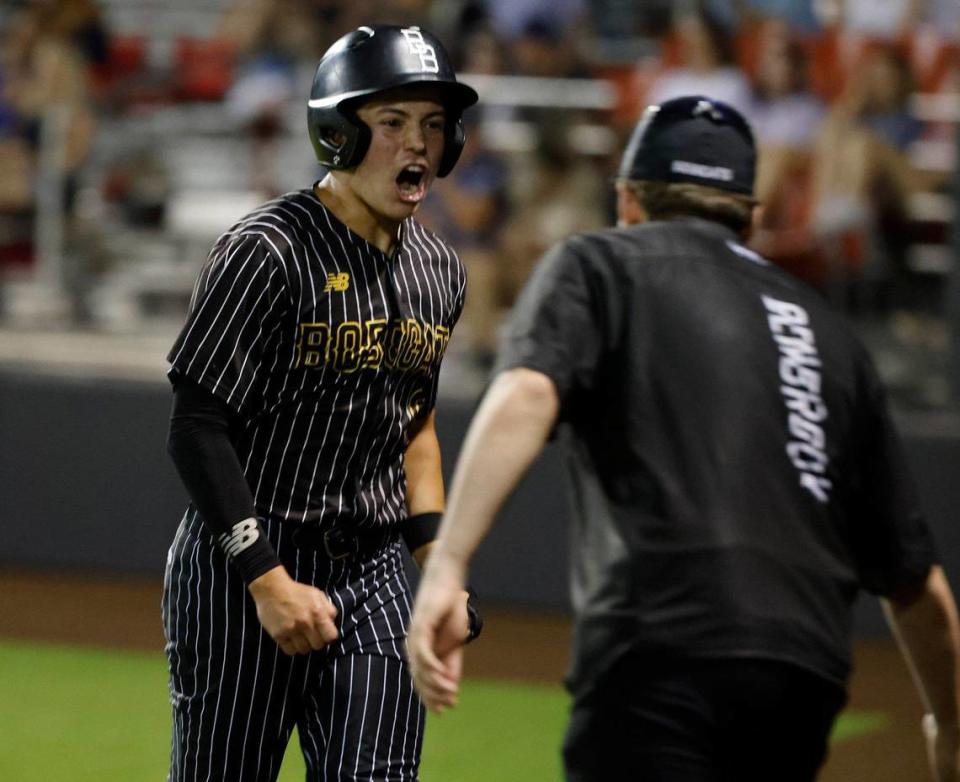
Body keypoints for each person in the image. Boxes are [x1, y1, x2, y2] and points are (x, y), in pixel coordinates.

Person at [407, 95, 960, 781]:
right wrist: (952, 727)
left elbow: (527, 391)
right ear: (750, 219)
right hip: (803, 673)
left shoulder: (598, 262)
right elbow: (917, 582)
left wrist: (448, 563)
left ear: (628, 200)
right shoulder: (832, 335)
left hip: (661, 643)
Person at [163, 24, 481, 781]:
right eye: (394, 122)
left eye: (433, 126)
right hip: (245, 565)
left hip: (371, 574)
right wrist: (267, 580)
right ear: (337, 133)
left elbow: (416, 429)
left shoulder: (439, 270)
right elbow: (198, 428)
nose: (419, 146)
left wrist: (438, 570)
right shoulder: (266, 250)